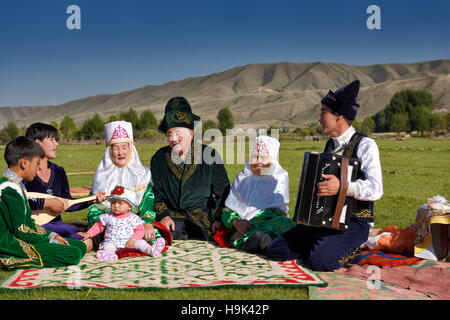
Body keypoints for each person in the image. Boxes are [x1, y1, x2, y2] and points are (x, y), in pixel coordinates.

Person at [266, 80, 384, 271]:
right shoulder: (330, 145)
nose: (319, 118)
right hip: (325, 222)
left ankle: (353, 249)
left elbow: (376, 189)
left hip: (355, 223)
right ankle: (324, 246)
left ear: (339, 116)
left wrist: (343, 186)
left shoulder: (366, 145)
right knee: (275, 250)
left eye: (323, 112)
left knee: (319, 262)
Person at [151, 96, 230, 241]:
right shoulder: (159, 158)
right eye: (169, 134)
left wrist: (219, 219)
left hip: (203, 222)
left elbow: (222, 192)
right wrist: (164, 216)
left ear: (191, 133)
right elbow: (156, 192)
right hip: (171, 219)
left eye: (178, 133)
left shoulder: (209, 154)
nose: (173, 139)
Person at [0, 136, 86, 269]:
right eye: (36, 164)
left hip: (23, 236)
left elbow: (28, 224)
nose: (38, 168)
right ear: (24, 163)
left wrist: (53, 235)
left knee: (79, 245)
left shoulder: (18, 186)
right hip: (9, 244)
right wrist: (50, 241)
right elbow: (21, 231)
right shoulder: (8, 189)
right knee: (73, 254)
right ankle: (7, 260)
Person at [23, 123, 106, 250]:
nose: (56, 144)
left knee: (86, 241)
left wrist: (91, 201)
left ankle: (54, 247)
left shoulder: (59, 171)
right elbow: (19, 201)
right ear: (37, 143)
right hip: (34, 226)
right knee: (81, 241)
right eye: (51, 140)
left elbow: (67, 203)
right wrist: (46, 203)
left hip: (57, 224)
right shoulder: (25, 171)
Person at [88, 121, 167, 249]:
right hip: (111, 224)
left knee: (151, 233)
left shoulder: (143, 174)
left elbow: (148, 202)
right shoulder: (101, 177)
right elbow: (94, 210)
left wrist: (147, 222)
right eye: (116, 148)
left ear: (131, 148)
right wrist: (114, 221)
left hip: (136, 224)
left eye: (124, 147)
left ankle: (150, 248)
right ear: (109, 151)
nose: (120, 153)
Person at [219, 135, 296, 253]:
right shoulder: (242, 179)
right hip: (242, 225)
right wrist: (236, 222)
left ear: (272, 160)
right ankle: (257, 241)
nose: (258, 161)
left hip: (267, 222)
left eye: (264, 157)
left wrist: (255, 222)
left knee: (284, 222)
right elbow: (228, 210)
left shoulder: (279, 178)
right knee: (234, 227)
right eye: (255, 157)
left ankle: (259, 240)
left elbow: (278, 211)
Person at [80, 186, 166, 262]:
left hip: (129, 242)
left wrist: (133, 239)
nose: (116, 206)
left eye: (120, 203)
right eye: (113, 203)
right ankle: (109, 255)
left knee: (141, 243)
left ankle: (150, 250)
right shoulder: (108, 216)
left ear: (129, 206)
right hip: (112, 241)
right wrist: (89, 234)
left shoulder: (133, 218)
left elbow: (140, 230)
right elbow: (98, 226)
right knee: (108, 246)